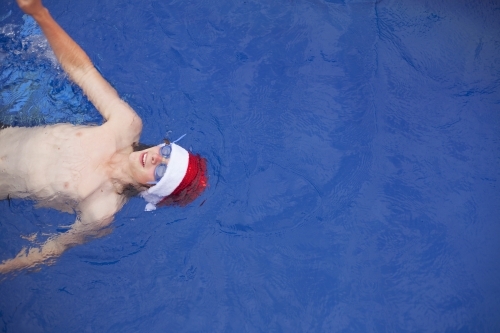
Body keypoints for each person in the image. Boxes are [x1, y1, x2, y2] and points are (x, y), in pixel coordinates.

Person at [0, 0, 208, 274]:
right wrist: (39, 13)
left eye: (160, 171)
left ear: (151, 191)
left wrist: (6, 269)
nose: (156, 157)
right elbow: (82, 71)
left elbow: (51, 249)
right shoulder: (125, 125)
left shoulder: (102, 210)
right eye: (167, 154)